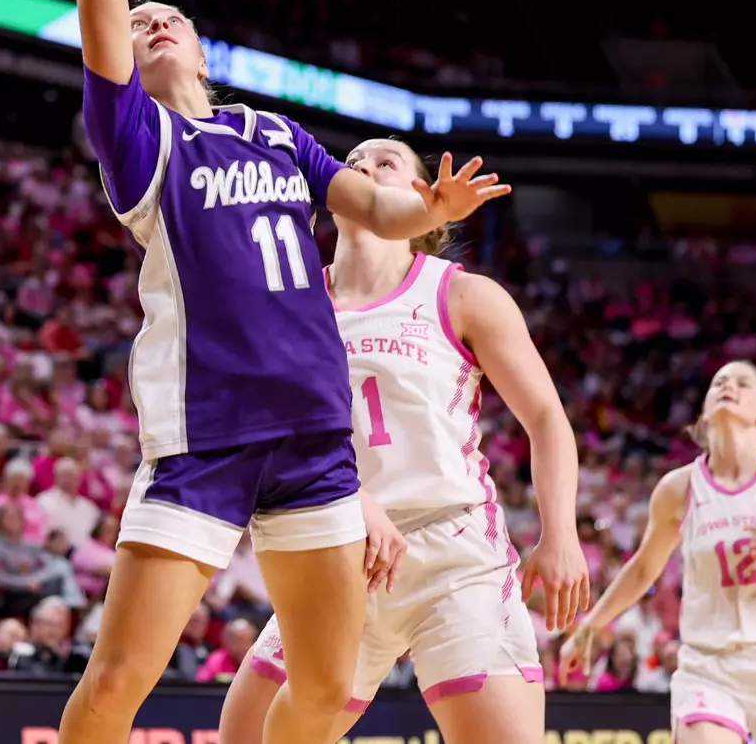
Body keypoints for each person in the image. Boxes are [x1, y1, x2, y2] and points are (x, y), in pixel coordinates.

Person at [0, 0, 509, 744]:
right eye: (140, 21)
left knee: (325, 691)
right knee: (112, 686)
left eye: (172, 15)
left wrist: (435, 209)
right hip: (208, 436)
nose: (156, 20)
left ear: (202, 44)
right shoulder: (139, 140)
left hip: (319, 442)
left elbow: (382, 213)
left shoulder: (276, 134)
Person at [221, 138, 589, 744]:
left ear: (423, 200)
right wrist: (354, 502)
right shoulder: (292, 298)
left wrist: (561, 534)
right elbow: (271, 431)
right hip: (334, 543)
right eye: (353, 160)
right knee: (247, 737)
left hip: (453, 547)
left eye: (385, 161)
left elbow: (547, 418)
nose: (362, 165)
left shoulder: (463, 293)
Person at [561, 361, 756, 744]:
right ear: (704, 413)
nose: (727, 387)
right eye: (719, 382)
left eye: (742, 383)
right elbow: (642, 569)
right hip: (709, 663)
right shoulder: (678, 488)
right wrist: (590, 626)